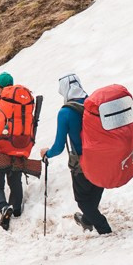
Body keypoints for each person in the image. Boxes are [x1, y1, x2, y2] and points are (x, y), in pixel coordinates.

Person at [43, 73, 113, 234]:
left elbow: (59, 146)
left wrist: (47, 153)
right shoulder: (94, 105)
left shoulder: (65, 113)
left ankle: (104, 229)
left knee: (82, 200)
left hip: (82, 162)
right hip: (102, 158)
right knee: (95, 193)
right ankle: (87, 220)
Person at [0, 71, 37, 229]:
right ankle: (17, 210)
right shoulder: (22, 104)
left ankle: (4, 207)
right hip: (18, 149)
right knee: (15, 182)